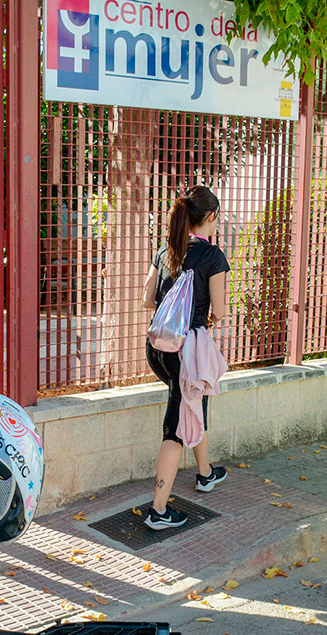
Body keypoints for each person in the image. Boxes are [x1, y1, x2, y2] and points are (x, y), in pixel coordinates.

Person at [141, 185, 231, 530]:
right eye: (216, 219)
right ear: (209, 217)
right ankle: (158, 510)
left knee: (191, 401)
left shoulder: (166, 251)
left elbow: (147, 300)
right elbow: (220, 312)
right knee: (175, 428)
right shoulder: (212, 257)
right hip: (186, 353)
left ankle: (206, 473)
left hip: (158, 349)